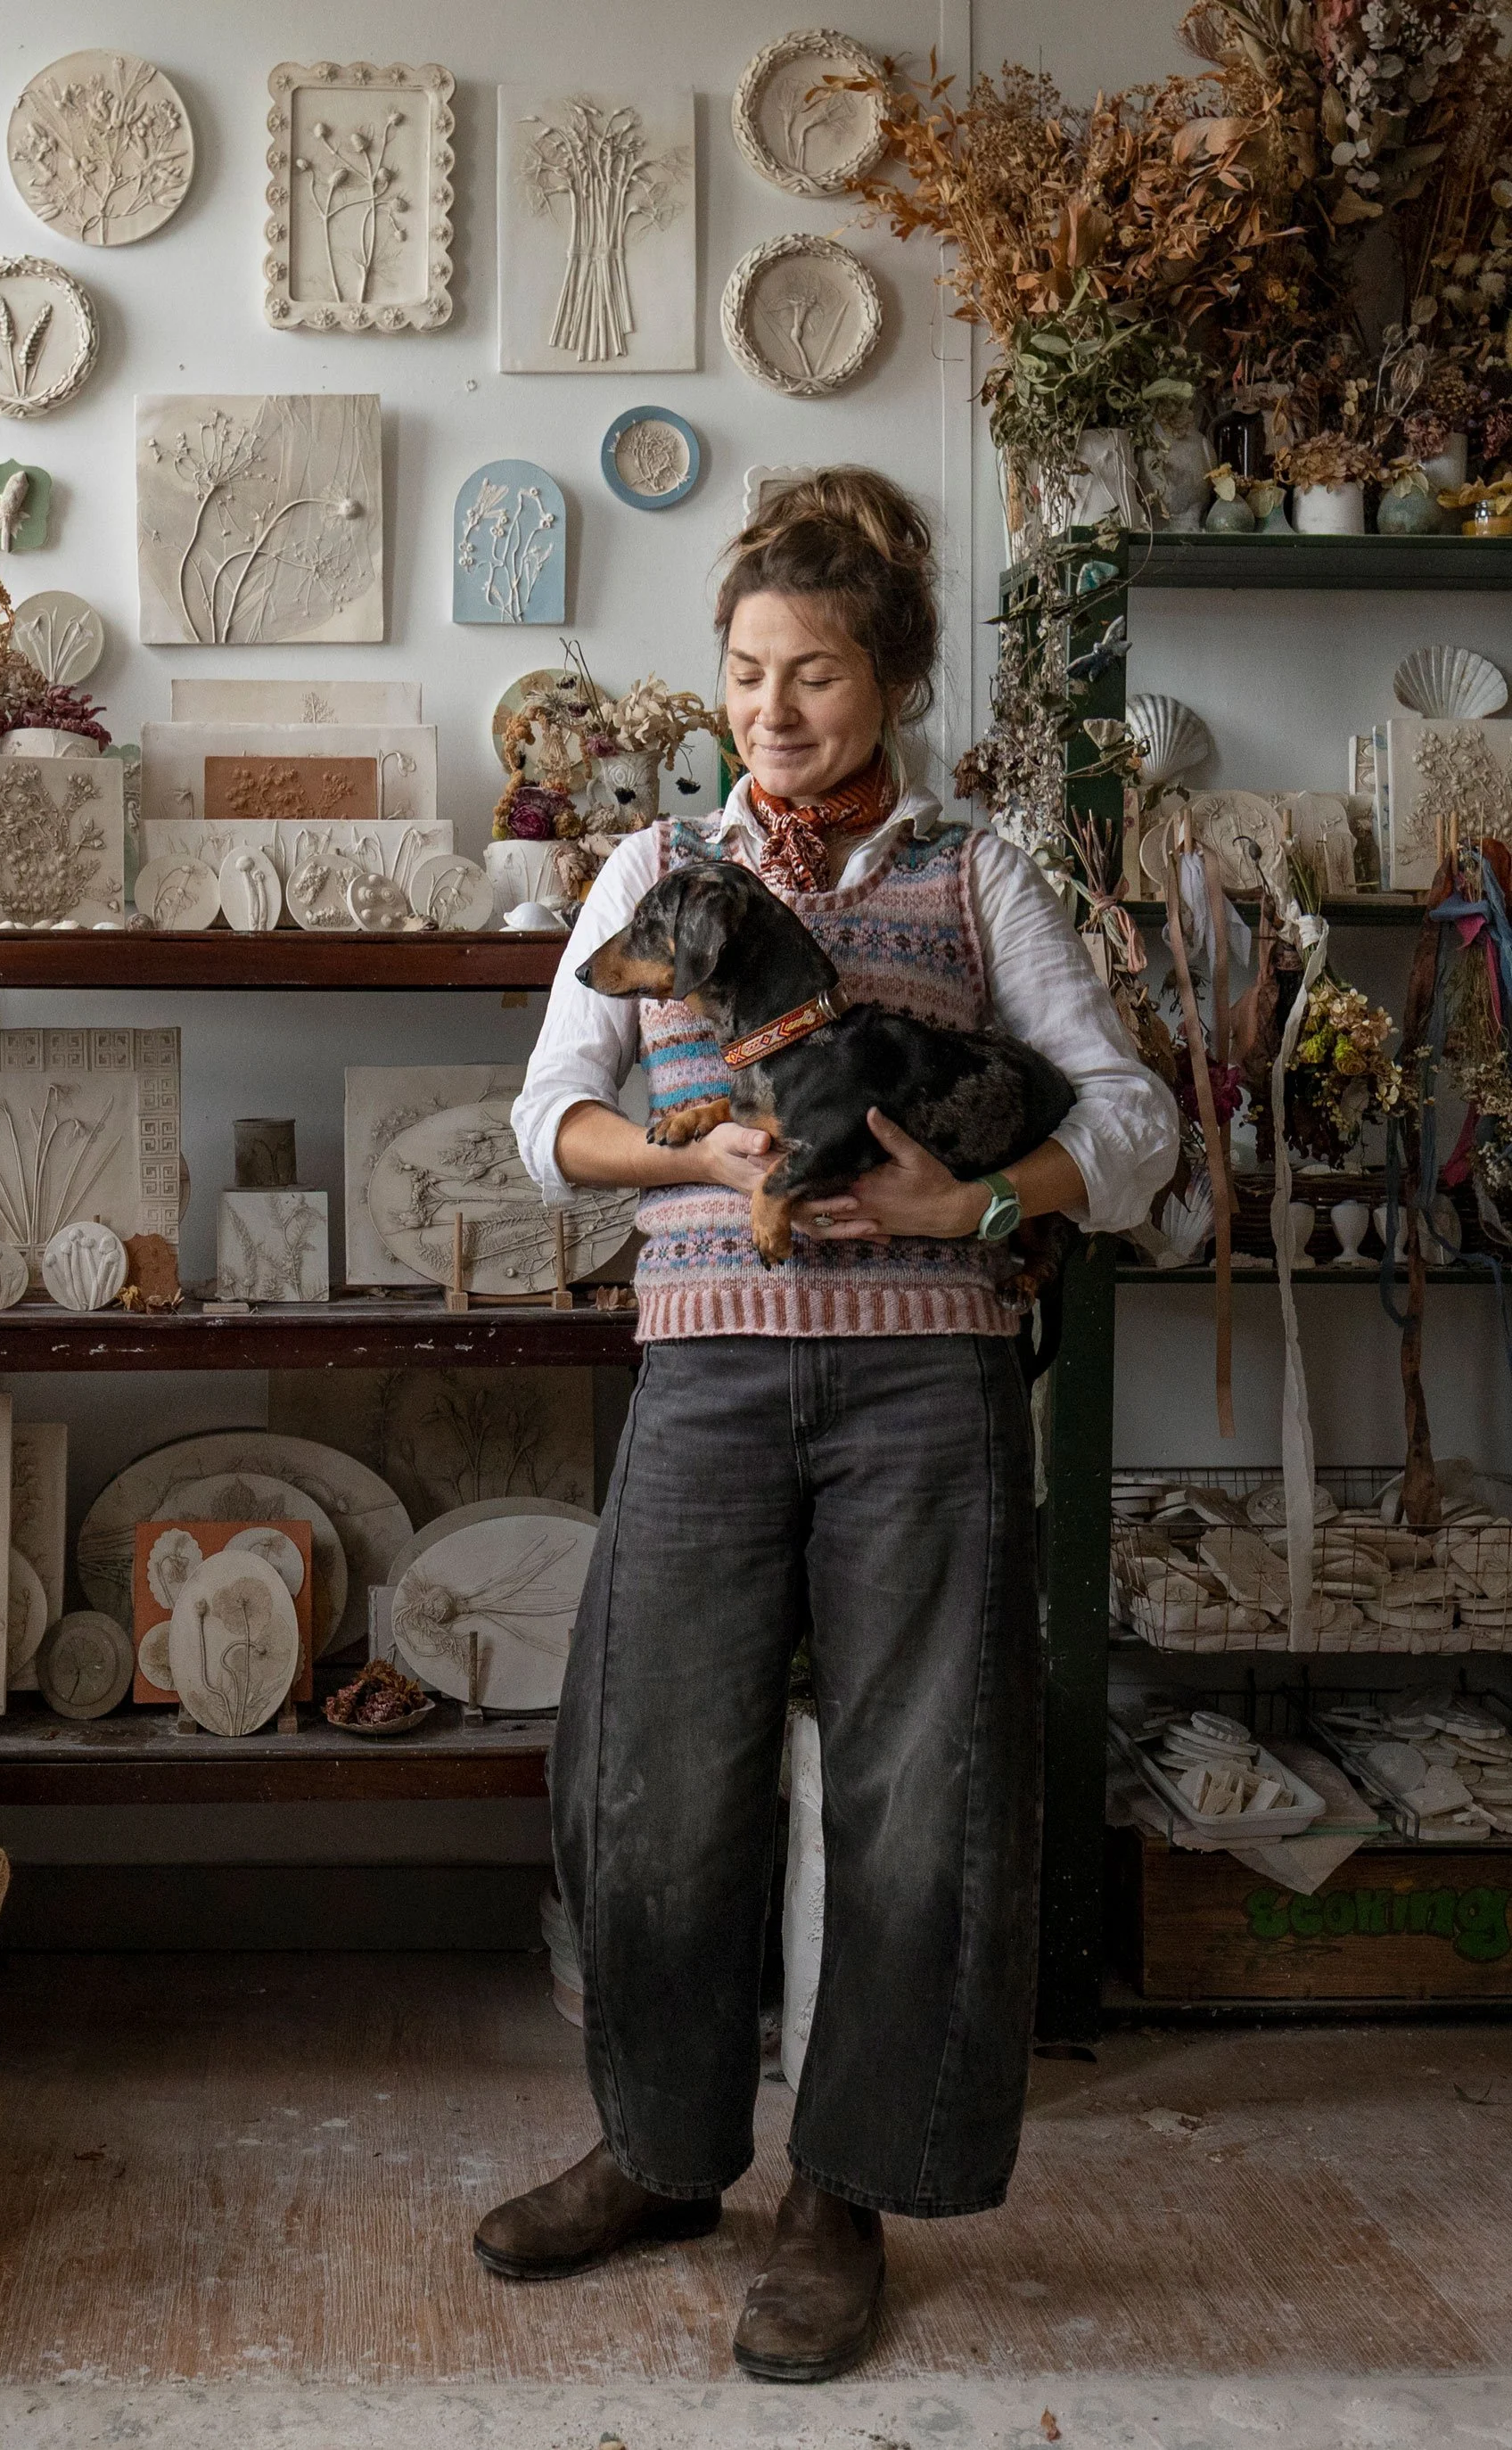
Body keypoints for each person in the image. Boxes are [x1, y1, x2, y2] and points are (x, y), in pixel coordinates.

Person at [477, 468, 1179, 2381]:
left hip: (922, 1393)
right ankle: (663, 2152)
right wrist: (684, 1141)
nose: (775, 709)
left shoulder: (980, 873)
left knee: (917, 1793)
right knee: (649, 1773)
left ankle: (844, 2196)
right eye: (747, 669)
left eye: (818, 673)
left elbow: (1132, 1129)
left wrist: (974, 1205)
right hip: (706, 1371)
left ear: (895, 680)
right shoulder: (649, 877)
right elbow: (549, 1125)